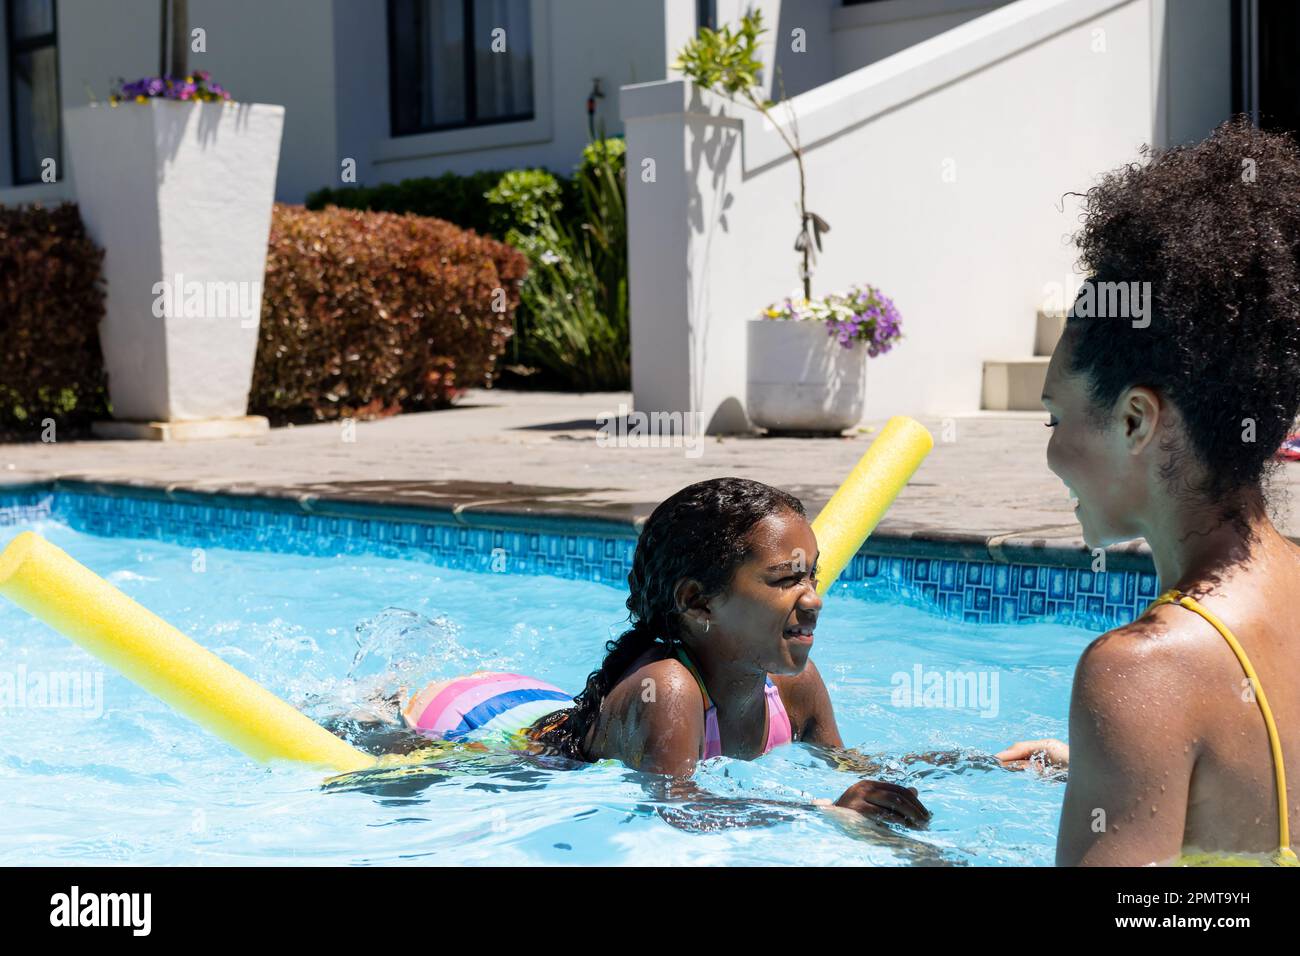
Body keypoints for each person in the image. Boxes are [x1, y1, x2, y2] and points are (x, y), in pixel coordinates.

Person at [999, 118, 1300, 866]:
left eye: (1056, 416)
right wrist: (1127, 768)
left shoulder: (1142, 673)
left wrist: (900, 851)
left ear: (1136, 420)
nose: (1051, 450)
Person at [400, 477, 930, 829]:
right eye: (786, 579)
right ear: (697, 601)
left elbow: (853, 769)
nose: (813, 597)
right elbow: (677, 810)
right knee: (384, 737)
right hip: (476, 721)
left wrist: (984, 764)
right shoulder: (671, 690)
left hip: (548, 705)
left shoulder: (796, 685)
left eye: (811, 574)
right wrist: (822, 813)